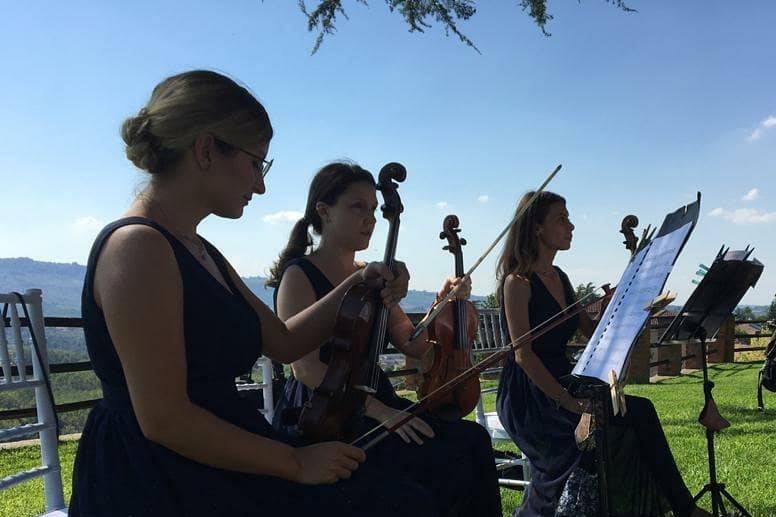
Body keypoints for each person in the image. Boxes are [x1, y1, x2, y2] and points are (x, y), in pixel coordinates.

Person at [69, 70, 444, 516]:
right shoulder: (139, 247)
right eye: (255, 163)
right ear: (207, 149)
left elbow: (283, 342)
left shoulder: (198, 247)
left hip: (221, 450)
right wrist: (295, 461)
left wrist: (359, 282)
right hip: (160, 476)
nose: (261, 185)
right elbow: (164, 419)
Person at [268, 161, 502, 516]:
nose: (371, 219)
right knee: (413, 488)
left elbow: (414, 344)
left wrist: (443, 303)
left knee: (472, 442)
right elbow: (305, 368)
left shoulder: (371, 276)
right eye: (357, 206)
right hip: (323, 411)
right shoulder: (299, 275)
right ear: (324, 211)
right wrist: (379, 412)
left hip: (376, 397)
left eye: (375, 210)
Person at [494, 191, 712, 517]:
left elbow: (592, 329)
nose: (571, 226)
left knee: (639, 411)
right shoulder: (518, 282)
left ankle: (683, 509)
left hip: (564, 381)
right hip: (530, 395)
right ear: (537, 228)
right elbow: (524, 356)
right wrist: (569, 402)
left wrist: (628, 306)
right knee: (579, 443)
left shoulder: (561, 278)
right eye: (561, 219)